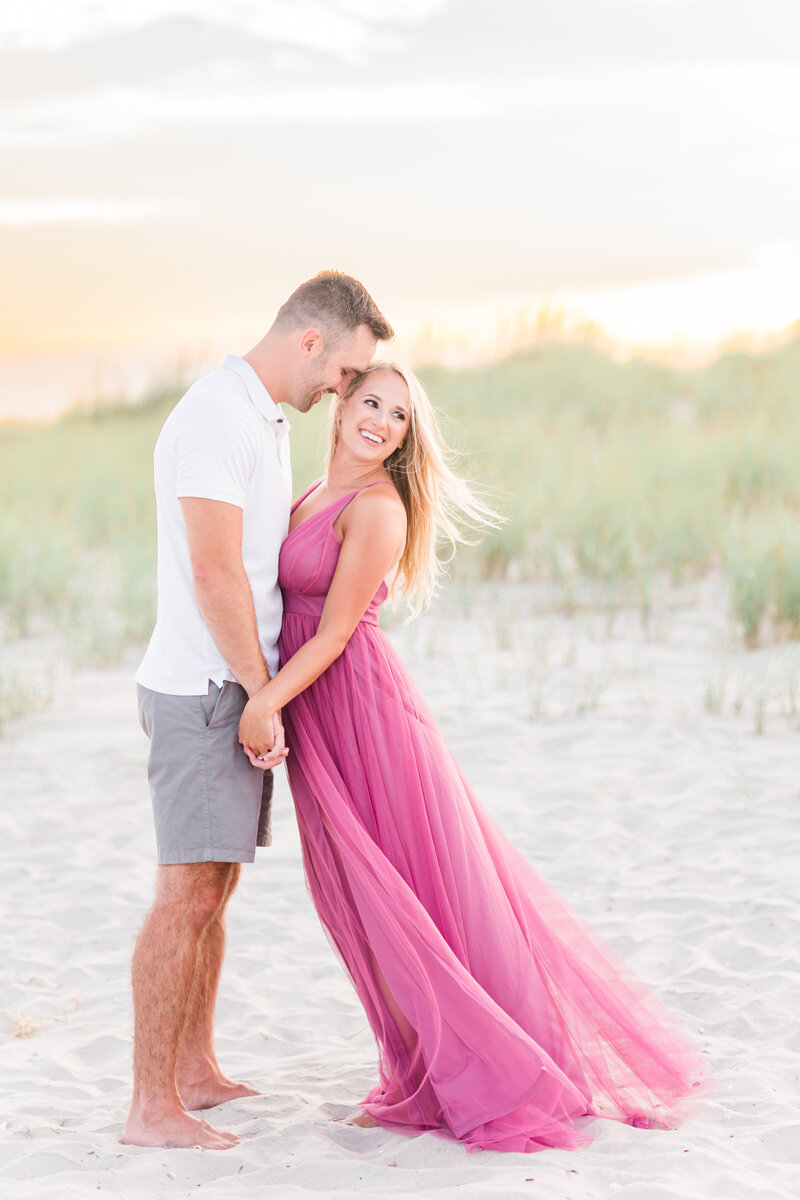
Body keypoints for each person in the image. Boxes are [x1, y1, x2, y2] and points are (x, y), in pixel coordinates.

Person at [238, 362, 713, 1153]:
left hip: (361, 712)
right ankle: (415, 1067)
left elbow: (332, 634)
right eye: (371, 403)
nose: (381, 421)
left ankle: (449, 1077)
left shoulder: (378, 509)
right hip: (320, 715)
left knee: (400, 893)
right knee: (354, 899)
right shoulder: (308, 498)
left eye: (397, 415)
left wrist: (264, 701)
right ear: (341, 407)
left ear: (403, 436)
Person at [123, 273, 394, 1150]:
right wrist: (258, 692)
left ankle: (193, 1071)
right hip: (207, 690)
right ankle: (150, 1106)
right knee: (184, 894)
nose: (346, 391)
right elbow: (214, 570)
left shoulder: (266, 421)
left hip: (234, 688)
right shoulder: (216, 417)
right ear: (311, 342)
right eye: (348, 370)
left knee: (216, 888)